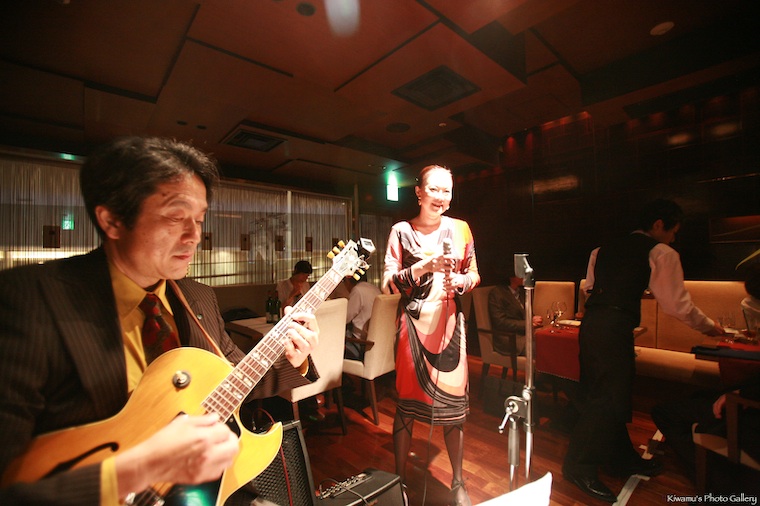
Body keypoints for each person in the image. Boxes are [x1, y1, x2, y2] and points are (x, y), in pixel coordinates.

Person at [0, 137, 320, 506]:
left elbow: (235, 380)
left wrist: (295, 359)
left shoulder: (198, 297)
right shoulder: (29, 301)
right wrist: (140, 467)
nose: (195, 236)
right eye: (175, 216)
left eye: (199, 220)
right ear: (112, 220)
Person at [562, 198, 724, 503]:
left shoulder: (601, 250)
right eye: (673, 231)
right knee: (606, 400)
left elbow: (589, 288)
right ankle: (577, 467)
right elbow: (676, 305)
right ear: (659, 225)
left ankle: (621, 459)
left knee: (607, 396)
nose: (673, 238)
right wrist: (709, 327)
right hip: (614, 329)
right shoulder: (661, 252)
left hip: (592, 325)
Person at [382, 164, 480, 506]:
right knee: (406, 406)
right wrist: (424, 267)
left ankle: (458, 482)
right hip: (412, 328)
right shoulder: (400, 231)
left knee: (454, 409)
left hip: (450, 326)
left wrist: (462, 281)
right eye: (434, 189)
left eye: (447, 190)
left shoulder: (461, 229)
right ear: (419, 192)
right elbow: (387, 284)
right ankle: (399, 480)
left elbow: (475, 273)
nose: (441, 197)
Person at [488, 275, 543, 355]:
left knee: (549, 342)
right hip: (509, 338)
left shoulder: (520, 291)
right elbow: (500, 322)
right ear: (512, 276)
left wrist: (533, 318)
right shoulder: (497, 293)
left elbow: (524, 312)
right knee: (540, 348)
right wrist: (528, 323)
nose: (525, 276)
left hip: (524, 334)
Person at [342, 274, 382, 360]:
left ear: (347, 281)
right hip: (377, 339)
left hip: (361, 342)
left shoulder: (357, 290)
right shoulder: (374, 288)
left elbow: (345, 318)